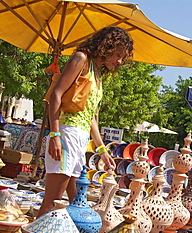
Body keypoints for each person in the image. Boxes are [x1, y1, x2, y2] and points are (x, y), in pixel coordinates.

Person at [36, 26, 133, 221]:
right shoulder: (81, 59)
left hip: (79, 138)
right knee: (53, 201)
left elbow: (91, 118)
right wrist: (54, 134)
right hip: (65, 133)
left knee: (75, 205)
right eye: (118, 54)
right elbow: (56, 94)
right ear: (107, 46)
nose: (119, 61)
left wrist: (102, 151)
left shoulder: (96, 73)